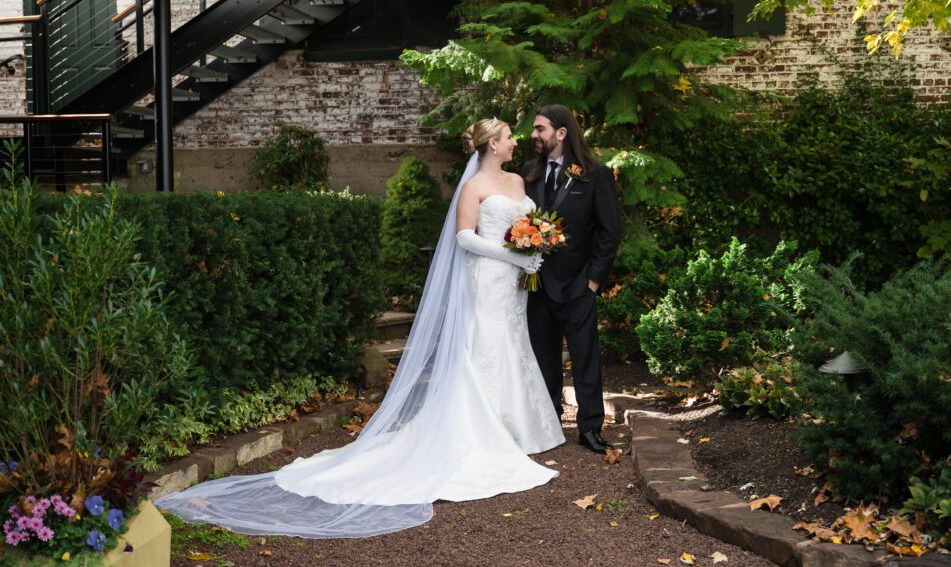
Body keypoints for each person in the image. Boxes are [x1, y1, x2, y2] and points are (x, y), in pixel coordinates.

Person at [154, 118, 564, 538]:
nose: (516, 142)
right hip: (489, 279)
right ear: (493, 144)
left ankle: (519, 427)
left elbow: (523, 226)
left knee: (513, 343)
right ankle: (485, 432)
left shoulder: (517, 179)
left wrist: (533, 245)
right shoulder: (473, 186)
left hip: (513, 286)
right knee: (486, 348)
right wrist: (512, 256)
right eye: (510, 136)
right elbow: (463, 237)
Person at [521, 104, 621, 453]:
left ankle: (591, 428)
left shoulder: (594, 174)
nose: (533, 135)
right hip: (536, 286)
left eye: (539, 129)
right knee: (542, 359)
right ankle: (549, 423)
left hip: (578, 284)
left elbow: (610, 233)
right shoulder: (527, 174)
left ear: (561, 133)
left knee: (585, 359)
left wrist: (593, 281)